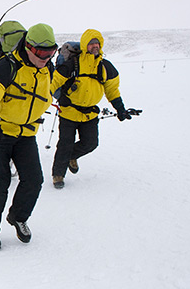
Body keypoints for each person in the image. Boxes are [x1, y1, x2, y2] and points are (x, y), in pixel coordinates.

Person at [0, 23, 57, 250]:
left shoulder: (47, 69)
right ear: (29, 46)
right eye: (42, 52)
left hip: (26, 133)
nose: (46, 58)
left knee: (34, 180)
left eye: (51, 52)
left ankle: (18, 217)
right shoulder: (7, 67)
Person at [50, 29, 131, 189]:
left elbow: (112, 90)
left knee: (91, 143)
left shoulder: (105, 67)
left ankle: (71, 157)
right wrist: (58, 98)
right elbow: (53, 82)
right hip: (69, 111)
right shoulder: (72, 64)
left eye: (97, 43)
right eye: (92, 43)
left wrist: (120, 109)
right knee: (65, 144)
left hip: (89, 114)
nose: (95, 46)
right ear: (85, 45)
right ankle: (58, 175)